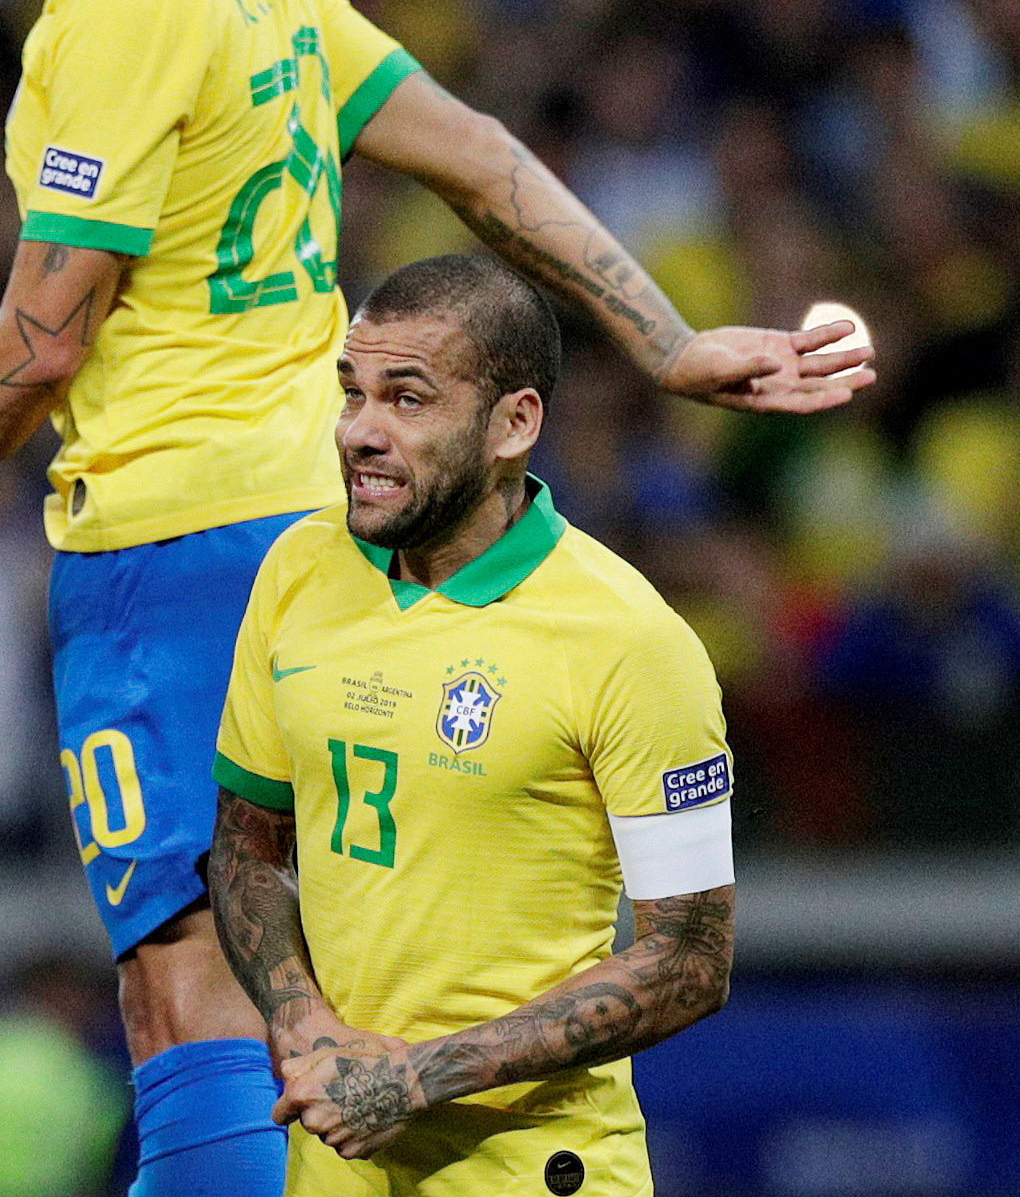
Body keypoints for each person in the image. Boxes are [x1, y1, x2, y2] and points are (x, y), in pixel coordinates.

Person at [0, 0, 867, 1197]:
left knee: (182, 985)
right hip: (323, 524)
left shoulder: (111, 7)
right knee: (326, 977)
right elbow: (473, 153)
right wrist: (653, 339)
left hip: (170, 542)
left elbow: (44, 333)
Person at [208, 255, 736, 1193]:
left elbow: (688, 958)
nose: (359, 431)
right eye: (351, 392)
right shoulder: (296, 571)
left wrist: (415, 1079)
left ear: (513, 423)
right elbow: (245, 849)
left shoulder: (627, 636)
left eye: (406, 400)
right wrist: (306, 1028)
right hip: (332, 1159)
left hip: (531, 1165)